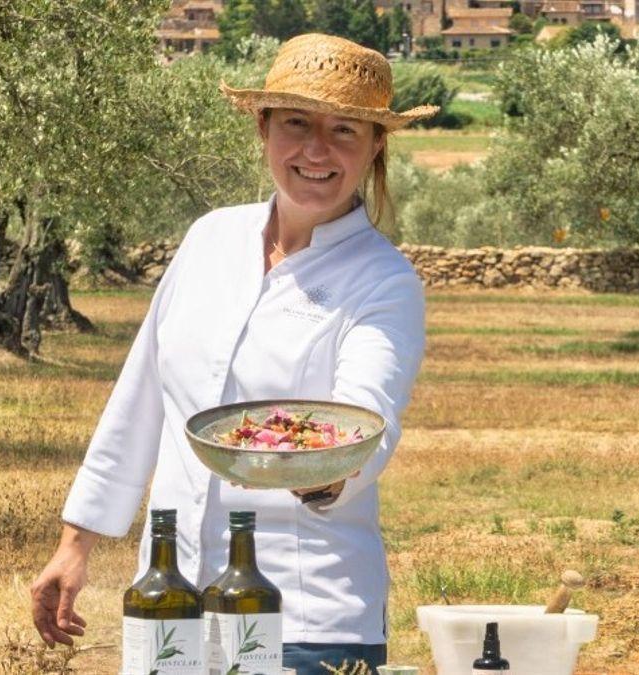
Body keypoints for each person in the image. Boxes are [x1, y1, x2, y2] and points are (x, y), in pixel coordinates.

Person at [29, 33, 438, 674]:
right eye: (297, 123)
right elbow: (141, 402)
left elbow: (368, 414)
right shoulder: (209, 238)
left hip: (305, 615)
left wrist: (330, 467)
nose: (316, 151)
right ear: (263, 126)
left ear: (376, 145)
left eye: (345, 131)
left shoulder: (383, 281)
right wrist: (75, 544)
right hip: (172, 598)